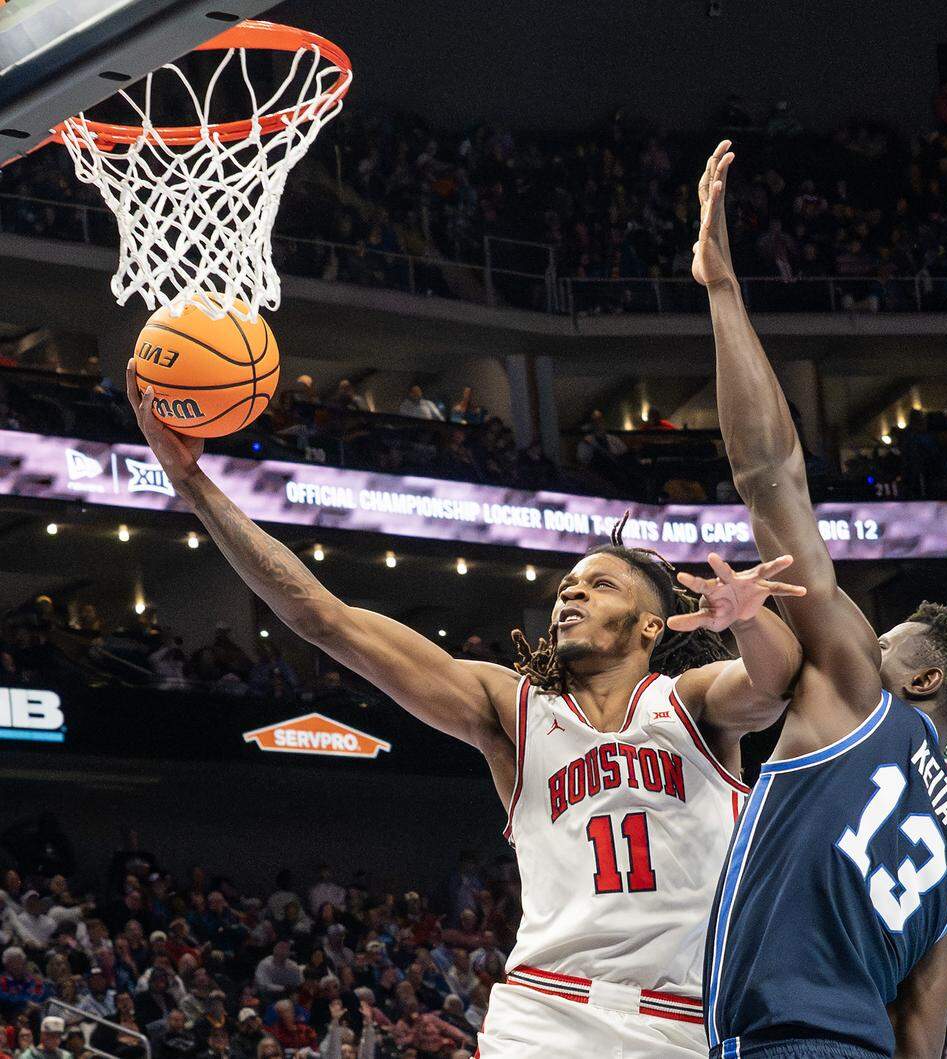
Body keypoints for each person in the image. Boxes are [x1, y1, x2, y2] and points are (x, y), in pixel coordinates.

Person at [125, 358, 808, 1058]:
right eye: (566, 586)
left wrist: (751, 620)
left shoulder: (687, 702)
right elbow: (324, 618)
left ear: (649, 626)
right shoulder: (512, 710)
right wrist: (192, 483)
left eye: (599, 585)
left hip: (681, 1019)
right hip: (545, 1014)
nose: (569, 595)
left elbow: (774, 683)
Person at [691, 140, 947, 1059]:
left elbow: (769, 475)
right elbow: (923, 1028)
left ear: (923, 676)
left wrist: (722, 292)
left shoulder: (861, 700)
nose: (865, 643)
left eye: (887, 640)